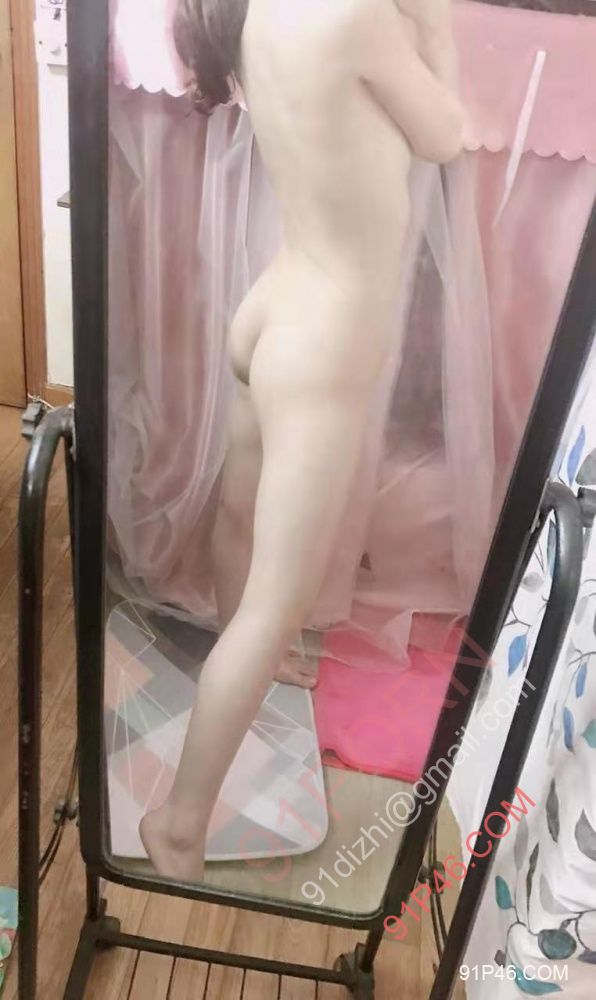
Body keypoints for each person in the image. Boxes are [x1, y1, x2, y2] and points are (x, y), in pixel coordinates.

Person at [140, 0, 463, 882]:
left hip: (273, 308)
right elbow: (445, 134)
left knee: (240, 529)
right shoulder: (356, 16)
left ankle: (238, 678)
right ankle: (181, 826)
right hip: (322, 342)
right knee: (275, 603)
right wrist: (434, 22)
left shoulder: (267, 11)